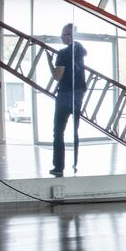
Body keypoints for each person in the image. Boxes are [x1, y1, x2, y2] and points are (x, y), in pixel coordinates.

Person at [46, 23, 87, 176]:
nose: (63, 37)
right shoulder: (80, 50)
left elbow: (57, 76)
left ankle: (58, 167)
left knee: (58, 132)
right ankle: (75, 165)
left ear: (72, 36)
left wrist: (49, 62)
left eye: (66, 34)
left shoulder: (63, 53)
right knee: (75, 132)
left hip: (65, 94)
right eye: (62, 34)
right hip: (78, 94)